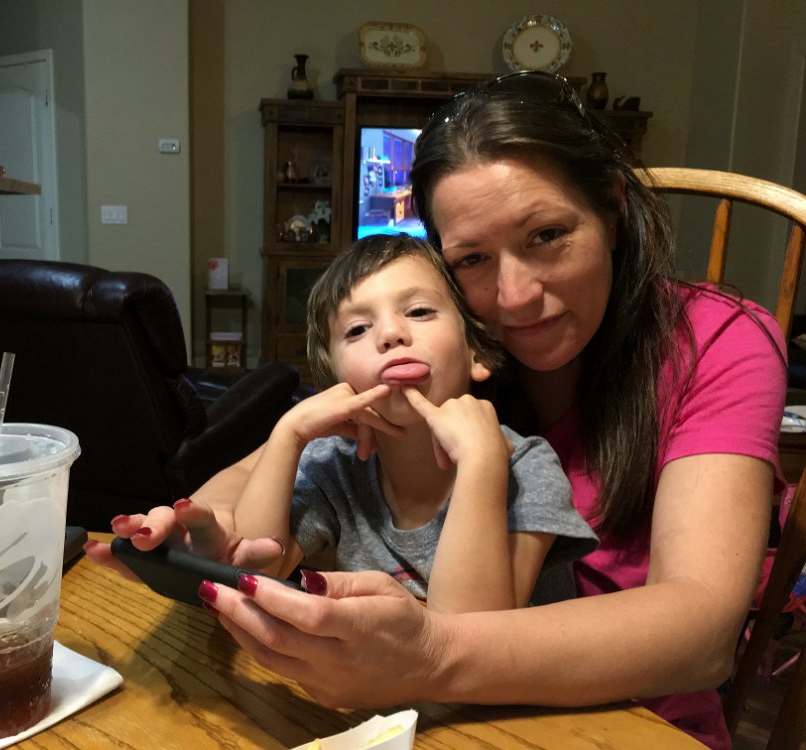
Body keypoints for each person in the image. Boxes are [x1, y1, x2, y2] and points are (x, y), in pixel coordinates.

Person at [87, 71, 786, 750]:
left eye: (546, 235)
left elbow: (701, 635)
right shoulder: (440, 362)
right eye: (473, 259)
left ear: (611, 206)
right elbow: (263, 471)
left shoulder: (714, 341)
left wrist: (431, 654)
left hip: (632, 717)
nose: (514, 297)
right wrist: (202, 534)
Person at [230, 233, 597, 612]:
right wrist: (288, 434)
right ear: (337, 383)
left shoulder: (526, 467)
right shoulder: (334, 464)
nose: (390, 334)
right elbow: (251, 573)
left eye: (419, 311)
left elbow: (470, 631)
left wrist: (481, 464)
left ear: (476, 351)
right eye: (357, 329)